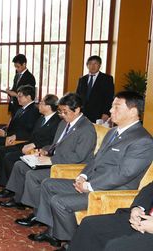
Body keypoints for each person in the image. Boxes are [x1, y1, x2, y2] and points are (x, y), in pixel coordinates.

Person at [29, 91, 153, 248]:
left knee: (59, 202)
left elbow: (123, 174)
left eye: (116, 107)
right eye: (112, 106)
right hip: (91, 182)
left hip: (110, 192)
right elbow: (96, 159)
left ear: (133, 111)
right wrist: (83, 176)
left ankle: (72, 243)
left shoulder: (143, 140)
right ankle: (53, 232)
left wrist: (90, 186)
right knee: (48, 184)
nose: (110, 110)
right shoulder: (113, 132)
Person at [0, 93, 95, 218]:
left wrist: (51, 160)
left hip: (69, 167)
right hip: (55, 159)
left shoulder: (86, 129)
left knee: (32, 175)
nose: (62, 115)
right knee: (20, 165)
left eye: (65, 112)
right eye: (60, 111)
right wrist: (44, 150)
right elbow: (56, 144)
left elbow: (78, 157)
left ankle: (37, 214)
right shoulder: (65, 123)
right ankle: (18, 199)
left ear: (77, 110)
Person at [0, 94, 61, 188]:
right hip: (30, 144)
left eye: (42, 103)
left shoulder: (57, 121)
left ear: (48, 106)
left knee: (9, 157)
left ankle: (9, 188)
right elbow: (31, 134)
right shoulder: (42, 118)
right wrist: (17, 138)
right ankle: (2, 178)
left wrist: (34, 145)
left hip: (39, 149)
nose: (39, 104)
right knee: (2, 150)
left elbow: (52, 141)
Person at [67, 181, 153, 251]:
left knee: (116, 246)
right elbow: (150, 189)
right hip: (144, 216)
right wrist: (138, 207)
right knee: (90, 224)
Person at [76, 55, 114, 124]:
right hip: (82, 114)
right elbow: (77, 96)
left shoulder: (107, 79)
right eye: (90, 64)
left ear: (99, 65)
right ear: (87, 65)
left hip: (99, 114)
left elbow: (109, 97)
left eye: (95, 63)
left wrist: (106, 113)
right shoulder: (82, 79)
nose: (92, 66)